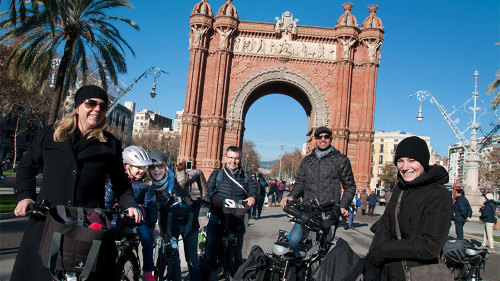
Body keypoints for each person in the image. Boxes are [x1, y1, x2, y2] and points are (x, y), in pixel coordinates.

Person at [11, 85, 142, 281]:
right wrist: (25, 197)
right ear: (78, 107)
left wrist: (130, 204)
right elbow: (26, 167)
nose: (97, 109)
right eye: (91, 103)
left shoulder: (110, 144)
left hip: (88, 226)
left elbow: (121, 182)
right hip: (48, 221)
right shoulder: (50, 135)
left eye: (103, 106)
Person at [365, 136, 452, 280]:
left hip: (419, 273)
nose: (405, 167)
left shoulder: (439, 195)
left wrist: (383, 251)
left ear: (423, 162)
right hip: (388, 272)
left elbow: (430, 247)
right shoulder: (400, 189)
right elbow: (385, 227)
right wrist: (373, 260)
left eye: (412, 161)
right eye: (400, 161)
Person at [280, 126, 356, 246]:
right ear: (315, 139)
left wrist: (343, 205)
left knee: (322, 248)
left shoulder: (341, 160)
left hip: (329, 212)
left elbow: (350, 186)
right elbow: (300, 183)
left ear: (331, 138)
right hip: (307, 210)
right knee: (294, 241)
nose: (323, 139)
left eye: (326, 136)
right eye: (319, 137)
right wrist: (291, 196)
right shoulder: (307, 161)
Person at [201, 146, 258, 280]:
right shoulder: (217, 174)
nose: (233, 161)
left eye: (236, 158)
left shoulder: (247, 176)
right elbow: (208, 190)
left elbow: (254, 191)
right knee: (209, 252)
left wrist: (252, 198)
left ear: (240, 159)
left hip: (238, 218)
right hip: (218, 216)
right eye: (231, 157)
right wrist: (214, 196)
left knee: (237, 256)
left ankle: (235, 275)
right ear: (225, 158)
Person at [105, 145, 157, 281]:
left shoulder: (146, 186)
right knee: (106, 239)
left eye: (143, 168)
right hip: (118, 219)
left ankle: (148, 271)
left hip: (138, 221)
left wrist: (151, 225)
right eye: (138, 167)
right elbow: (107, 202)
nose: (141, 171)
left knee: (147, 239)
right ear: (127, 166)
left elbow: (151, 206)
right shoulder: (114, 182)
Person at [149, 150, 202, 281]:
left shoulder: (178, 178)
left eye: (160, 165)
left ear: (166, 166)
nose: (156, 170)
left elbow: (199, 174)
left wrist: (205, 197)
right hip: (168, 225)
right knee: (172, 258)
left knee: (192, 259)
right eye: (152, 166)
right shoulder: (148, 184)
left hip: (188, 223)